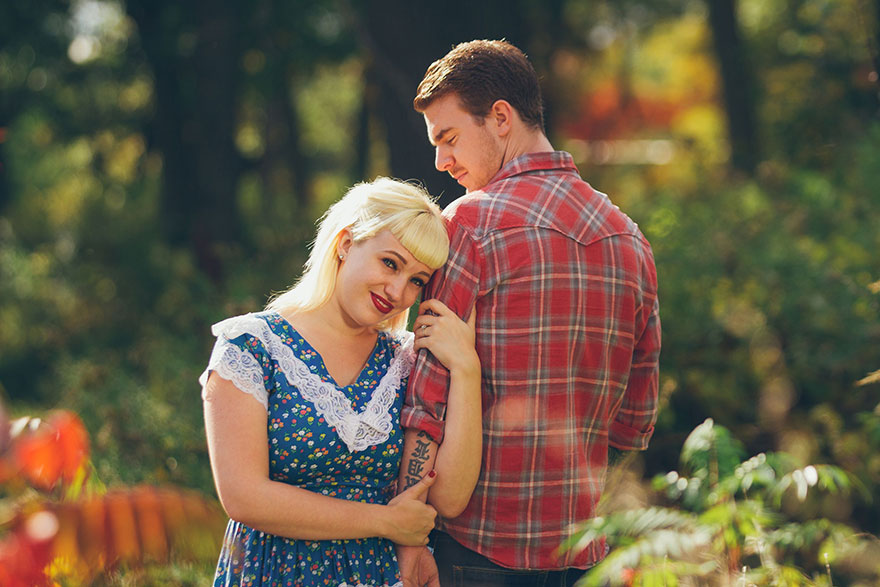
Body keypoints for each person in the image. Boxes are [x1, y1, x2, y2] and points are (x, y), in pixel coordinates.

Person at [395, 40, 662, 587]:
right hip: (589, 558)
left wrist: (408, 538)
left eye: (448, 138)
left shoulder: (469, 224)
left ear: (499, 118)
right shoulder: (629, 238)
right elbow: (635, 422)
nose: (441, 161)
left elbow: (426, 401)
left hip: (474, 552)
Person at [200, 177, 482, 587]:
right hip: (274, 572)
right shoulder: (251, 346)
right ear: (346, 243)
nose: (398, 290)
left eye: (417, 280)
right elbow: (243, 497)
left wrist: (466, 370)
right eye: (390, 263)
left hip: (378, 574)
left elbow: (449, 497)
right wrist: (385, 521)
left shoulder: (406, 362)